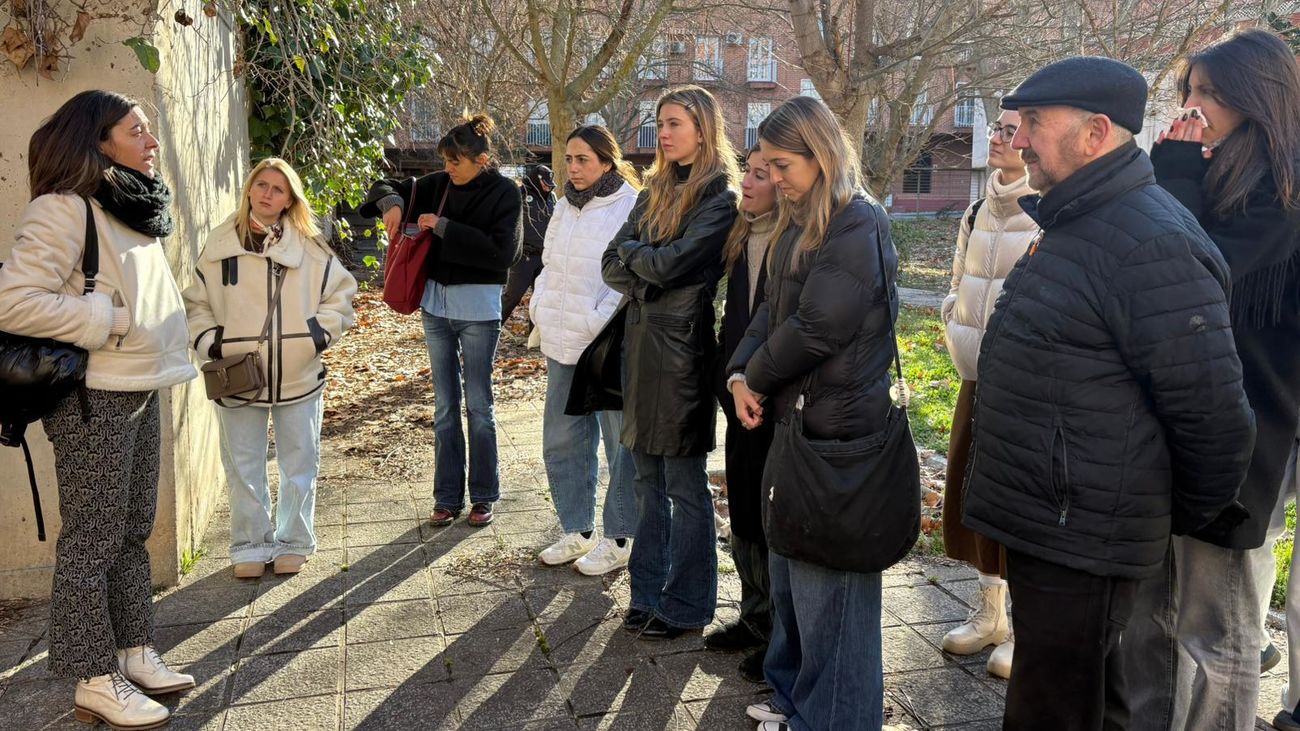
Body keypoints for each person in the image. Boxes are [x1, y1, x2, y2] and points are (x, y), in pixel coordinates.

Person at [960, 57, 1255, 730]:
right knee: (1089, 698)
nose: (1020, 137)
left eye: (1035, 121)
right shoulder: (1081, 221)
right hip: (1062, 527)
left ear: (1096, 133)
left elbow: (1213, 415)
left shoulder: (1149, 241)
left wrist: (1150, 514)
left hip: (1084, 535)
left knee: (1055, 709)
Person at [1117, 28, 1300, 731]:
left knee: (1217, 632)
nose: (1192, 106)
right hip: (1175, 426)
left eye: (1210, 93)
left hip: (1240, 436)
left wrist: (1176, 172)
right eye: (1189, 89)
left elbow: (1185, 274)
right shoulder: (1211, 170)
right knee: (1152, 619)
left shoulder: (1280, 195)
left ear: (1258, 99)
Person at [0, 90, 198, 729]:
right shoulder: (61, 211)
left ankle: (133, 650)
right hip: (94, 396)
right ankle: (93, 676)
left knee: (133, 531)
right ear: (98, 138)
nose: (151, 141)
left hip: (141, 383)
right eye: (136, 130)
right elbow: (11, 301)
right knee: (93, 540)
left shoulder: (131, 208)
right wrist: (98, 318)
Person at [727, 95, 900, 731]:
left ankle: (838, 717)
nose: (771, 177)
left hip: (840, 429)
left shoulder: (859, 221)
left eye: (781, 163)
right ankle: (795, 696)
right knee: (794, 571)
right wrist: (740, 375)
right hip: (795, 422)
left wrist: (758, 375)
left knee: (836, 590)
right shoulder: (803, 218)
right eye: (765, 164)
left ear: (820, 154)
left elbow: (820, 325)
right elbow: (770, 311)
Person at [599, 85, 739, 640]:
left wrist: (641, 261)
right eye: (660, 122)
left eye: (675, 122)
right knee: (644, 479)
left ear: (703, 129)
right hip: (640, 347)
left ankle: (686, 605)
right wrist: (645, 262)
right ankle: (647, 592)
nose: (663, 132)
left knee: (683, 481)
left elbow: (677, 263)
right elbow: (612, 262)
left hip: (683, 350)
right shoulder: (654, 187)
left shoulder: (719, 195)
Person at [183, 157, 357, 579]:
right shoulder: (220, 244)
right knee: (242, 464)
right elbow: (196, 303)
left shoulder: (310, 247)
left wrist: (316, 337)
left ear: (289, 199)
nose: (267, 193)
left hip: (299, 373)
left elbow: (342, 296)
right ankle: (250, 544)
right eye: (261, 184)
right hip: (236, 373)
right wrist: (213, 343)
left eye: (277, 189)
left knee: (300, 462)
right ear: (249, 189)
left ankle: (294, 541)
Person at [360, 114, 522, 528]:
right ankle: (447, 497)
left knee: (480, 406)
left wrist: (445, 226)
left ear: (482, 159)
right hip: (435, 308)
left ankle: (484, 496)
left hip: (479, 311)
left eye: (457, 160)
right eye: (446, 159)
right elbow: (382, 186)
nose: (448, 167)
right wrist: (392, 204)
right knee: (446, 407)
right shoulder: (438, 184)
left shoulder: (506, 193)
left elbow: (504, 253)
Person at [938, 109, 1037, 678]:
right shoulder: (977, 209)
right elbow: (956, 280)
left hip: (1023, 383)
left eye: (1009, 130)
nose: (998, 139)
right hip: (974, 372)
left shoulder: (1047, 208)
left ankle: (1025, 626)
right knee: (971, 488)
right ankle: (991, 612)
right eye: (994, 129)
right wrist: (955, 317)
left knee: (1016, 496)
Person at [529, 126, 640, 575]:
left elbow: (626, 275)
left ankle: (620, 536)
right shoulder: (562, 205)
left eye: (583, 160)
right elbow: (548, 265)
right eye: (569, 159)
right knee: (562, 442)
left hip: (605, 346)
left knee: (618, 446)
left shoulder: (629, 205)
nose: (573, 168)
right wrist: (539, 306)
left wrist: (596, 320)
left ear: (607, 162)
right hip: (559, 342)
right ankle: (578, 529)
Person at [705, 143, 778, 682]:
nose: (745, 185)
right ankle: (754, 617)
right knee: (744, 511)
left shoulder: (794, 238)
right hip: (736, 393)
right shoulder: (740, 232)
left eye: (759, 175)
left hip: (772, 397)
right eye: (746, 172)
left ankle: (780, 632)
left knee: (771, 515)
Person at [502, 164, 555, 321]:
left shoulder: (552, 197)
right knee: (512, 296)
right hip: (524, 256)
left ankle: (535, 340)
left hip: (544, 256)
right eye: (545, 184)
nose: (547, 188)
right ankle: (492, 329)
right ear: (536, 181)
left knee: (540, 300)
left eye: (550, 185)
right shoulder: (520, 194)